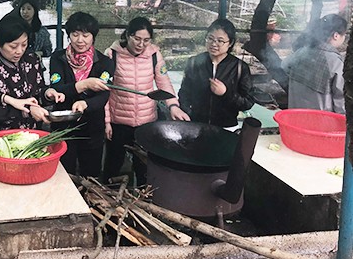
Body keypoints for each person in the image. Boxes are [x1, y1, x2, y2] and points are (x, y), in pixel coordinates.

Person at [104, 17, 189, 185]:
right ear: (127, 35)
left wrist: (173, 106)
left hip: (146, 122)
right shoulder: (112, 54)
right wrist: (106, 121)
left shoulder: (154, 55)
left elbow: (164, 83)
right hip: (118, 122)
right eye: (137, 38)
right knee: (113, 163)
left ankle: (143, 196)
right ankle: (106, 194)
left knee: (144, 165)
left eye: (146, 40)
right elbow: (105, 89)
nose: (141, 44)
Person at [49, 12, 113, 177]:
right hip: (63, 126)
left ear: (93, 37)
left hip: (92, 128)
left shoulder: (105, 62)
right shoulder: (58, 58)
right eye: (75, 34)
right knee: (63, 173)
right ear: (69, 35)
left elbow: (103, 96)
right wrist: (84, 85)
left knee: (91, 175)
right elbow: (58, 88)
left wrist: (86, 104)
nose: (80, 40)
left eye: (85, 35)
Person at [0, 15, 64, 131]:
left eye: (24, 45)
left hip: (31, 132)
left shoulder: (32, 59)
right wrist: (29, 110)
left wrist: (48, 94)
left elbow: (38, 91)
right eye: (13, 46)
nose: (19, 51)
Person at [179, 18, 255, 128]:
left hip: (226, 126)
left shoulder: (239, 67)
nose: (214, 44)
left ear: (230, 43)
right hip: (197, 126)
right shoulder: (194, 62)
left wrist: (226, 93)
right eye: (210, 38)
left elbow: (248, 102)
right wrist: (188, 114)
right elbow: (184, 93)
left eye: (220, 41)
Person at [282, 14, 347, 114]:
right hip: (321, 120)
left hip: (295, 115)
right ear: (336, 35)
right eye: (344, 35)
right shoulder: (334, 62)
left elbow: (284, 66)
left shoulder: (301, 52)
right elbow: (340, 100)